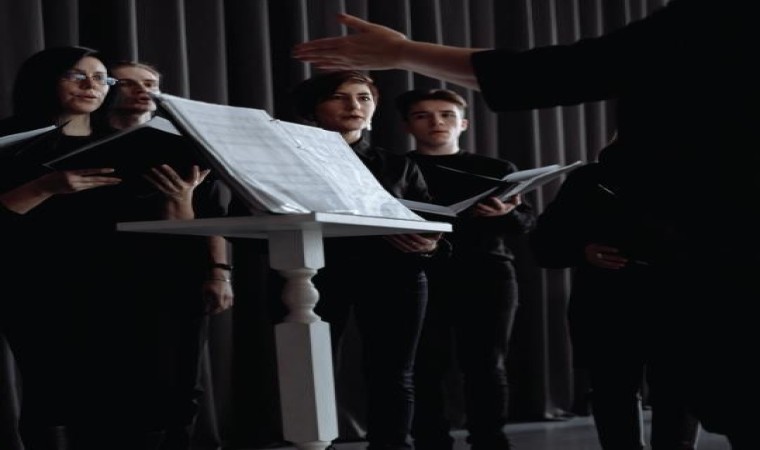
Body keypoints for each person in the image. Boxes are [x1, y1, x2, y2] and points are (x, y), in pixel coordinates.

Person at [292, 3, 759, 448]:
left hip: (690, 270)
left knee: (686, 388)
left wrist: (402, 51)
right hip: (405, 274)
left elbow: (554, 78)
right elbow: (549, 239)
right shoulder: (595, 179)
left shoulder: (716, 24)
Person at [0, 46, 228, 450]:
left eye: (101, 78)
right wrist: (43, 187)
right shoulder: (11, 142)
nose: (92, 86)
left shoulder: (130, 144)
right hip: (43, 286)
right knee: (54, 394)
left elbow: (168, 227)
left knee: (130, 401)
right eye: (77, 75)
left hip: (128, 285)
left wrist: (180, 200)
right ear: (45, 80)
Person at [233, 70, 443, 450]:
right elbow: (241, 224)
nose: (354, 106)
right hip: (311, 273)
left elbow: (431, 227)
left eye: (364, 97)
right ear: (312, 109)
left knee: (394, 374)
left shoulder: (398, 165)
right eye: (339, 97)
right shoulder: (281, 160)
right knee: (310, 368)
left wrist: (427, 244)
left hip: (395, 275)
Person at [529, 150, 701, 450]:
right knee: (613, 393)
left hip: (679, 300)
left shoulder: (696, 175)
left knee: (677, 391)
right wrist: (583, 250)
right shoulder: (588, 178)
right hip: (606, 303)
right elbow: (545, 244)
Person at [103, 59, 234, 449]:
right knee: (120, 379)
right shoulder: (87, 143)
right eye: (127, 83)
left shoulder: (187, 147)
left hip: (181, 271)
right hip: (109, 272)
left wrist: (219, 272)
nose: (142, 90)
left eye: (150, 83)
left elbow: (214, 217)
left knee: (182, 378)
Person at [394, 88, 535, 450]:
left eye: (446, 114)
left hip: (488, 274)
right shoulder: (395, 167)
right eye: (423, 115)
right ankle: (431, 442)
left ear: (463, 123)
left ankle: (491, 441)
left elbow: (525, 224)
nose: (436, 122)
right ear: (407, 125)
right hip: (420, 274)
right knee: (425, 366)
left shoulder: (497, 169)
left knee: (487, 365)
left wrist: (506, 213)